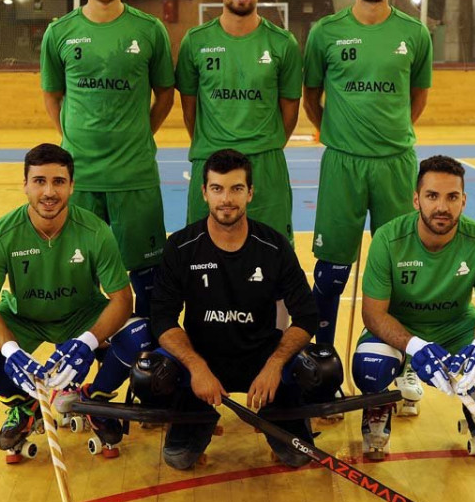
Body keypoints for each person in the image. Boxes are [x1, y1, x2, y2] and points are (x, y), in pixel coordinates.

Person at [0, 144, 153, 459]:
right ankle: (23, 404)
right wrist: (10, 350)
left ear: (71, 186)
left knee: (141, 336)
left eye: (58, 181)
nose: (49, 191)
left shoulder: (95, 231)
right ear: (25, 185)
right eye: (39, 181)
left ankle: (94, 400)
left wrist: (88, 341)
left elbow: (123, 299)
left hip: (83, 315)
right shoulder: (1, 234)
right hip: (25, 318)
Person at [142, 149, 339, 470]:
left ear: (250, 193)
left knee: (319, 381)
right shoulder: (181, 246)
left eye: (236, 189)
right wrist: (196, 367)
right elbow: (162, 318)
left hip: (261, 360)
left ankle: (277, 414)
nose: (226, 199)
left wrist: (275, 364)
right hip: (204, 362)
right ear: (204, 192)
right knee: (172, 440)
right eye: (217, 189)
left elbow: (306, 316)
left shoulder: (274, 246)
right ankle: (199, 417)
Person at [303, 0, 433, 409]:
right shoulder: (325, 33)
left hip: (396, 165)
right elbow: (311, 97)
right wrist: (341, 137)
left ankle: (404, 366)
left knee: (402, 272)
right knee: (331, 274)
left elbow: (417, 97)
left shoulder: (414, 34)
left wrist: (388, 137)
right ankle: (321, 368)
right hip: (342, 163)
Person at [352, 155, 475, 460]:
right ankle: (379, 407)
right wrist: (415, 345)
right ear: (416, 199)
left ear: (464, 201)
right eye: (432, 196)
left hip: (456, 325)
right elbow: (373, 313)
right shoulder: (389, 239)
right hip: (400, 327)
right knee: (370, 365)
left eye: (452, 197)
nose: (442, 207)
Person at [40, 0, 175, 319]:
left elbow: (164, 95)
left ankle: (151, 369)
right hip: (80, 177)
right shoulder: (60, 33)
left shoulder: (149, 31)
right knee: (81, 279)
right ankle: (89, 363)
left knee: (148, 279)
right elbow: (53, 95)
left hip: (134, 177)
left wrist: (138, 134)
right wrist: (71, 137)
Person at [176, 0, 302, 245]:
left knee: (273, 260)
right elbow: (189, 110)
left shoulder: (283, 44)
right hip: (210, 163)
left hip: (266, 167)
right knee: (202, 260)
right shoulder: (195, 42)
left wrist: (262, 145)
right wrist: (213, 144)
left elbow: (290, 112)